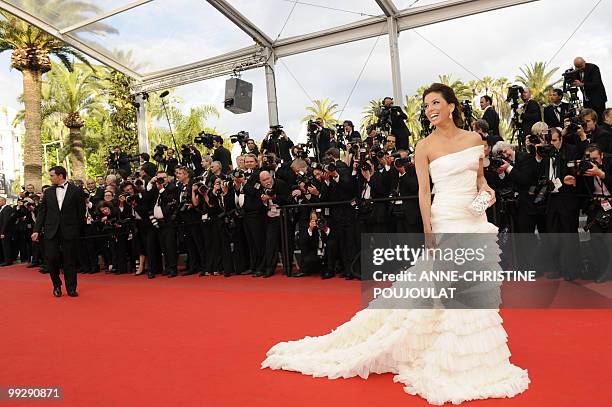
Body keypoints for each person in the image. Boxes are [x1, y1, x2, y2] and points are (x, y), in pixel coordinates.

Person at [262, 83, 530, 405]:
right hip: (445, 219)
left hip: (473, 219)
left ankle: (478, 358)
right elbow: (422, 193)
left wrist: (488, 194)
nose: (430, 108)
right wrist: (429, 232)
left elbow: (481, 181)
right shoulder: (424, 146)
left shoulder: (475, 140)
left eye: (435, 102)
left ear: (451, 105)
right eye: (426, 104)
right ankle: (450, 358)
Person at [32, 166, 86, 297]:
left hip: (69, 230)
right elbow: (42, 212)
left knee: (70, 260)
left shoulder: (76, 191)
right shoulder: (49, 192)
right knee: (51, 258)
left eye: (52, 176)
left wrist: (76, 228)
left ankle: (71, 288)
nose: (50, 178)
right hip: (52, 230)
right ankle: (56, 285)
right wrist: (36, 230)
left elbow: (81, 211)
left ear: (60, 176)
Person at [573, 57, 607, 122]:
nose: (579, 68)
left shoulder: (593, 68)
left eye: (581, 66)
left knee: (599, 120)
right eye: (577, 67)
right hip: (587, 101)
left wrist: (582, 84)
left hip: (597, 100)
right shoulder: (576, 71)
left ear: (584, 62)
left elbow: (596, 83)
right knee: (588, 120)